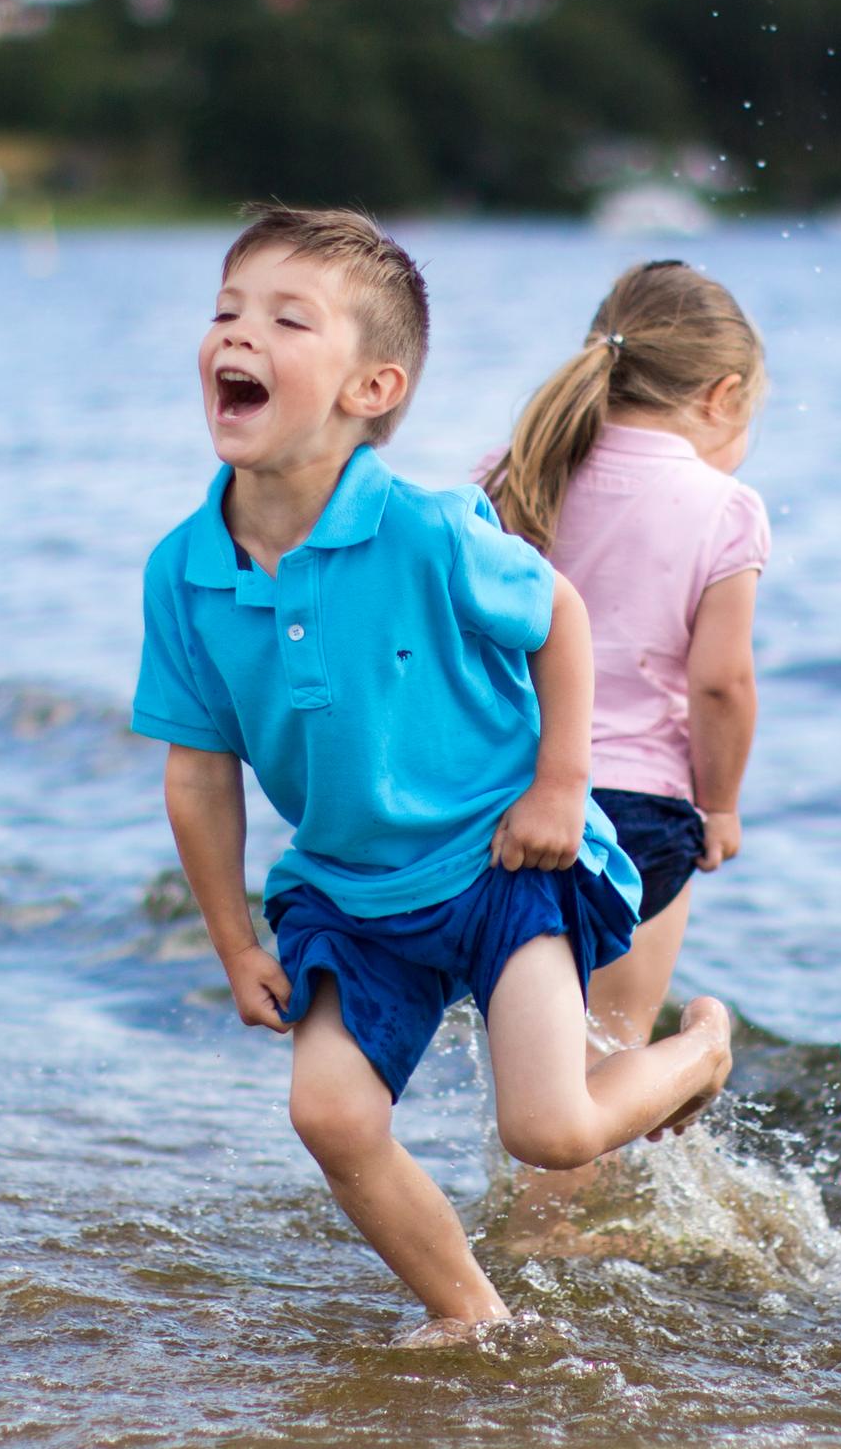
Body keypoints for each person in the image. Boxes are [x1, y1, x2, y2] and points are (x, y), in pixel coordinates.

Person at [133, 204, 736, 1342]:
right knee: (331, 1116)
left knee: (549, 1130)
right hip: (350, 890)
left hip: (499, 858)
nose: (238, 335)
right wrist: (231, 939)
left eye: (285, 319)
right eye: (225, 312)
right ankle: (473, 1315)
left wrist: (564, 785)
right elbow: (199, 771)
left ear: (372, 387)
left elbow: (558, 612)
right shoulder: (185, 571)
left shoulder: (428, 528)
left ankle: (700, 1046)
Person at [479, 261, 768, 1049]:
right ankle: (702, 1057)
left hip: (502, 805)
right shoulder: (725, 508)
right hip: (641, 808)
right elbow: (721, 685)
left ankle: (535, 1180)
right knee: (613, 1044)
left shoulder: (512, 474)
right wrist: (722, 806)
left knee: (529, 1063)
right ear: (723, 396)